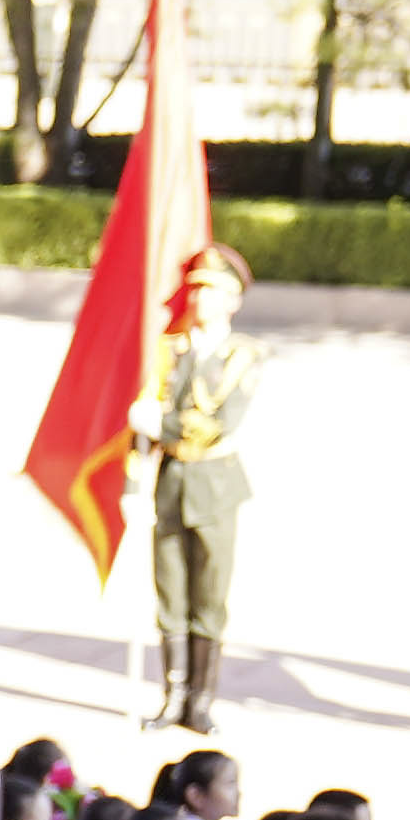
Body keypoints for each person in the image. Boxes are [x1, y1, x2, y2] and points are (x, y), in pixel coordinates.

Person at [136, 244, 258, 734]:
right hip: (170, 484)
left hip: (214, 487)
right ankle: (173, 695)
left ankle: (202, 702)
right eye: (198, 290)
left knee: (209, 598)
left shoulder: (242, 357)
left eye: (212, 291)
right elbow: (141, 420)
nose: (201, 299)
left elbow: (214, 424)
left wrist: (157, 423)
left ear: (232, 300)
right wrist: (132, 475)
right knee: (170, 595)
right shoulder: (172, 351)